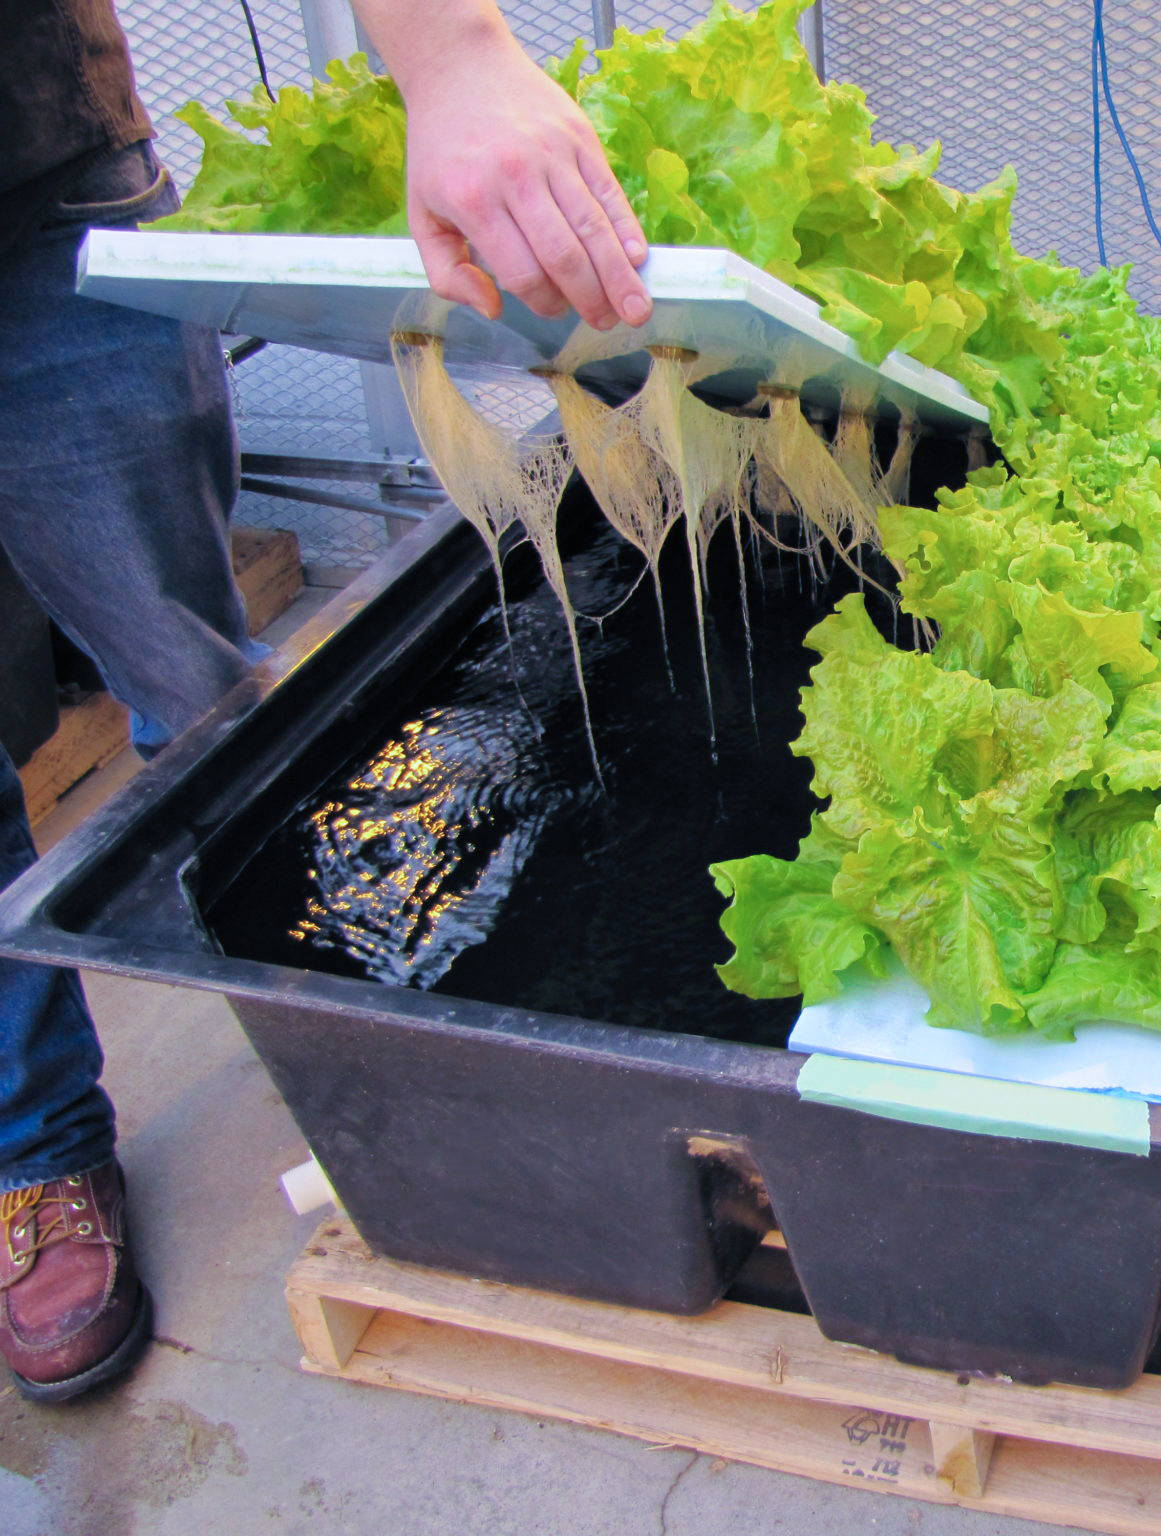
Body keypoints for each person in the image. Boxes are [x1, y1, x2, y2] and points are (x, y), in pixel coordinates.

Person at [0, 0, 649, 1403]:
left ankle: (351, 1037)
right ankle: (33, 1149)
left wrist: (455, 53)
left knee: (202, 705)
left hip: (32, 165)